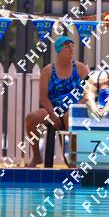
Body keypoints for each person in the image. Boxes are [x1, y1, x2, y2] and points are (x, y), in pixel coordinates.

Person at [25, 36, 90, 167]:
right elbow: (43, 97)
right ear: (59, 50)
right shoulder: (48, 70)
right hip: (53, 109)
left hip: (75, 108)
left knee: (68, 117)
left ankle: (73, 160)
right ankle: (37, 156)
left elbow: (89, 92)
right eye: (67, 46)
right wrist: (53, 114)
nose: (71, 49)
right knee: (32, 118)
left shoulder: (81, 69)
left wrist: (76, 107)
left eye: (72, 46)